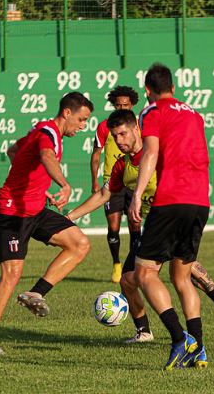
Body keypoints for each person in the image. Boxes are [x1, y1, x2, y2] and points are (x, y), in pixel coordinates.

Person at [68, 109, 214, 344]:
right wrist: (70, 216)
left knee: (176, 271)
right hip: (152, 226)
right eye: (115, 136)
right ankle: (146, 331)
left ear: (136, 130)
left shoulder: (157, 155)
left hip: (170, 218)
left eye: (123, 134)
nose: (119, 141)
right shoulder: (122, 166)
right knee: (129, 281)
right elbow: (103, 194)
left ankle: (203, 324)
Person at [0, 92, 94, 354]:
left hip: (36, 208)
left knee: (79, 244)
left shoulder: (40, 129)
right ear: (67, 113)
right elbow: (46, 156)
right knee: (11, 275)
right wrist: (63, 184)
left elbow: (13, 151)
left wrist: (36, 186)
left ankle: (36, 293)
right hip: (12, 212)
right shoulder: (48, 133)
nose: (83, 126)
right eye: (82, 119)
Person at [128, 63, 210, 370]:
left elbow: (150, 152)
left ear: (148, 91)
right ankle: (199, 349)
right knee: (182, 277)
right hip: (200, 201)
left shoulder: (151, 111)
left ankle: (180, 338)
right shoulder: (193, 113)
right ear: (173, 88)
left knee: (144, 273)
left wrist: (136, 195)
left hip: (171, 199)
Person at [90, 86, 140, 283]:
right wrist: (94, 181)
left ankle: (134, 265)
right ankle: (117, 264)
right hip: (112, 181)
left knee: (136, 225)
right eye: (117, 105)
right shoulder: (105, 126)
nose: (121, 108)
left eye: (125, 105)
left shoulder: (139, 125)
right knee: (114, 226)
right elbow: (96, 155)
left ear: (132, 105)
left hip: (135, 180)